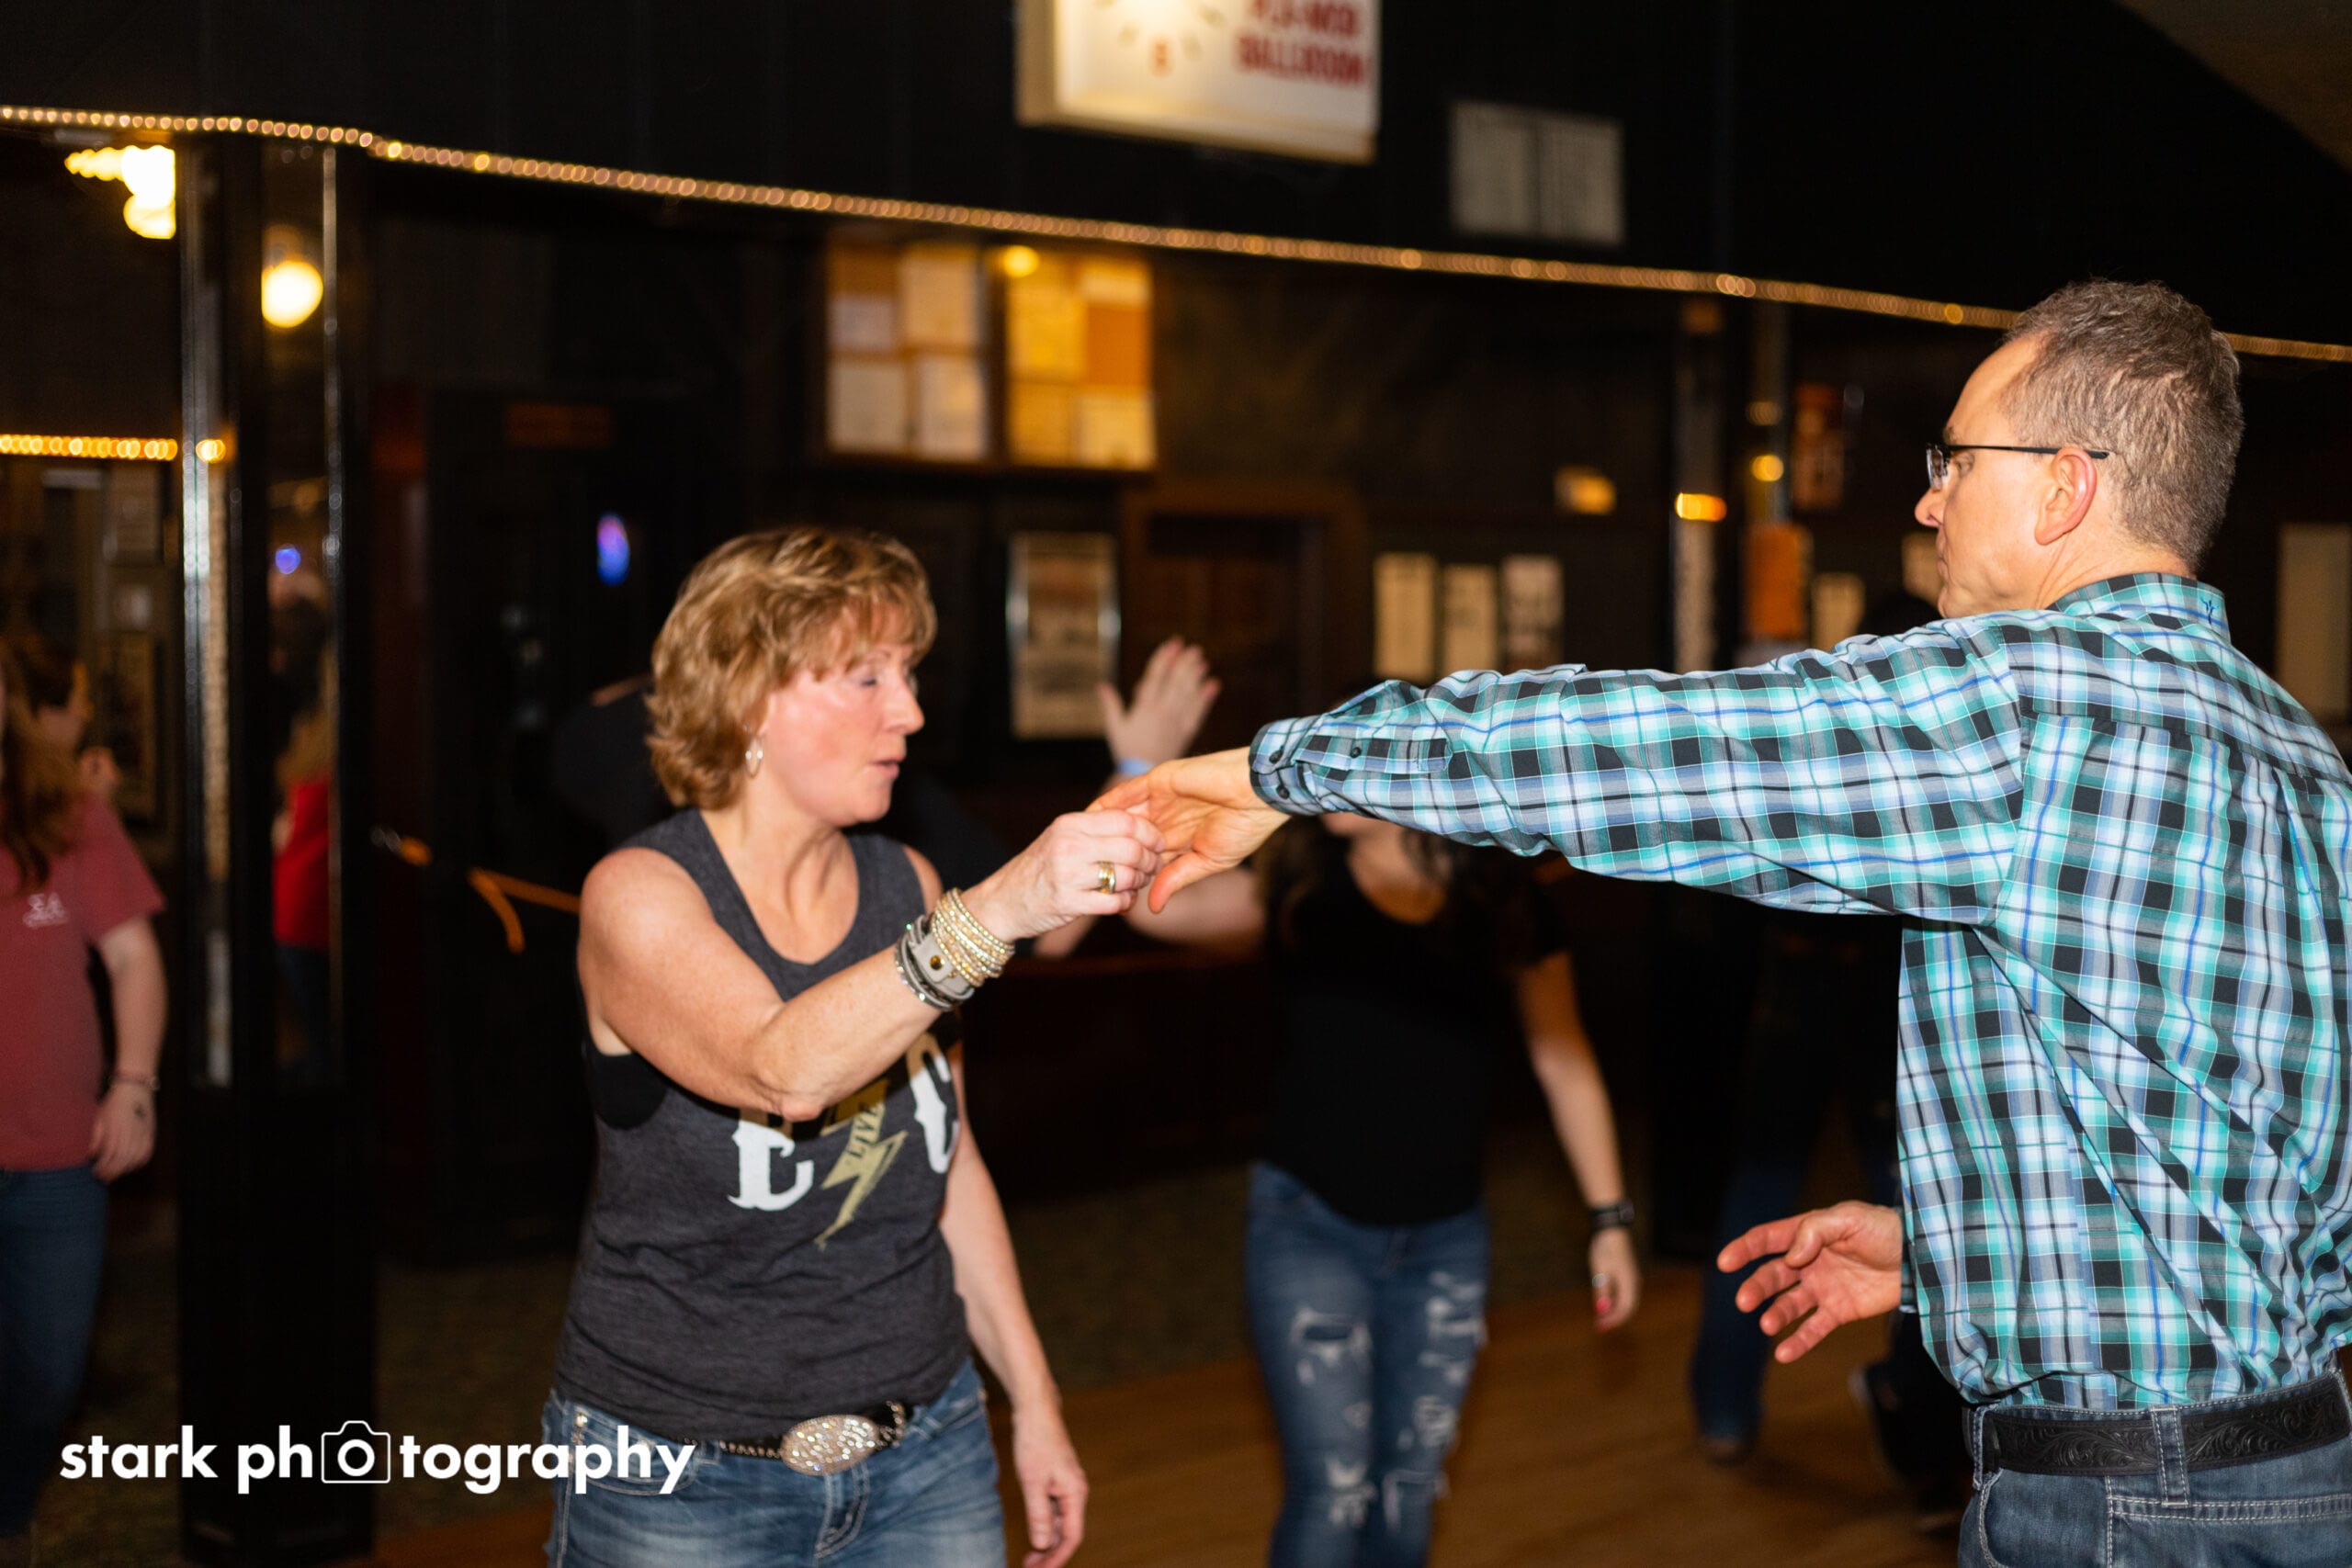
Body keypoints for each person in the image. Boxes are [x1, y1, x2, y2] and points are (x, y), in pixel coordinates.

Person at [1102, 282, 2352, 1564]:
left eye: (1955, 462)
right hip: (2304, 1473)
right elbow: (2260, 1146)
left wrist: (1283, 770)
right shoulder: (2300, 755)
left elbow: (1632, 751)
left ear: (2064, 488)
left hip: (2125, 1506)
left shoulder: (2023, 703)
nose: (1928, 502)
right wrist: (1952, 1254)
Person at [548, 525, 1164, 1568]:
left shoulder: (904, 886)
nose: (910, 712)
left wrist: (1035, 1401)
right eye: (868, 676)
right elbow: (783, 1068)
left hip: (927, 1447)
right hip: (681, 1475)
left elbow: (948, 1160)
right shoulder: (641, 896)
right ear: (748, 695)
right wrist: (1005, 902)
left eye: (910, 674)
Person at [1121, 798, 1638, 1568]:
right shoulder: (1299, 881)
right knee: (1331, 1495)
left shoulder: (1503, 898)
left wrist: (1610, 1219)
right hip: (1309, 1229)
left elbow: (1564, 1059)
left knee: (1407, 1492)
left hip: (1445, 1244)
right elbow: (1149, 908)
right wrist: (1140, 774)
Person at [0, 643, 165, 1568]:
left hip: (59, 1162)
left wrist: (134, 1084)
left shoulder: (66, 812)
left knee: (48, 1375)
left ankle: (9, 1509)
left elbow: (133, 956)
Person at [8, 635, 119, 805]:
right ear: (46, 713)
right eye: (81, 700)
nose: (87, 714)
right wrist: (94, 801)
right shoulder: (35, 800)